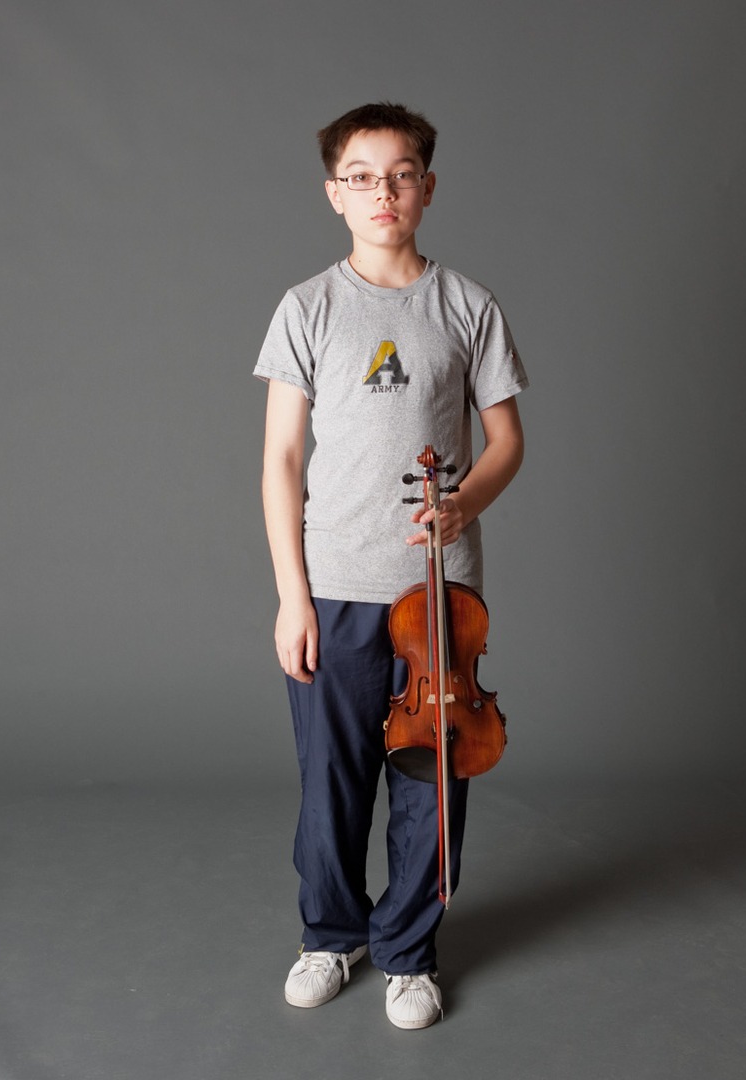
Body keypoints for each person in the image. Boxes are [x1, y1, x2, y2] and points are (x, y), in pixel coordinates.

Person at [254, 102, 528, 1030]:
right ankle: (329, 935)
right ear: (336, 194)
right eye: (363, 176)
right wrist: (292, 598)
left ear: (427, 189)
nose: (384, 190)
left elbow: (505, 442)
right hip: (334, 587)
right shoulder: (308, 307)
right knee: (330, 778)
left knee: (431, 777)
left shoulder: (467, 305)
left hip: (439, 597)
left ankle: (409, 950)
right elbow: (282, 461)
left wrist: (462, 504)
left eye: (402, 173)